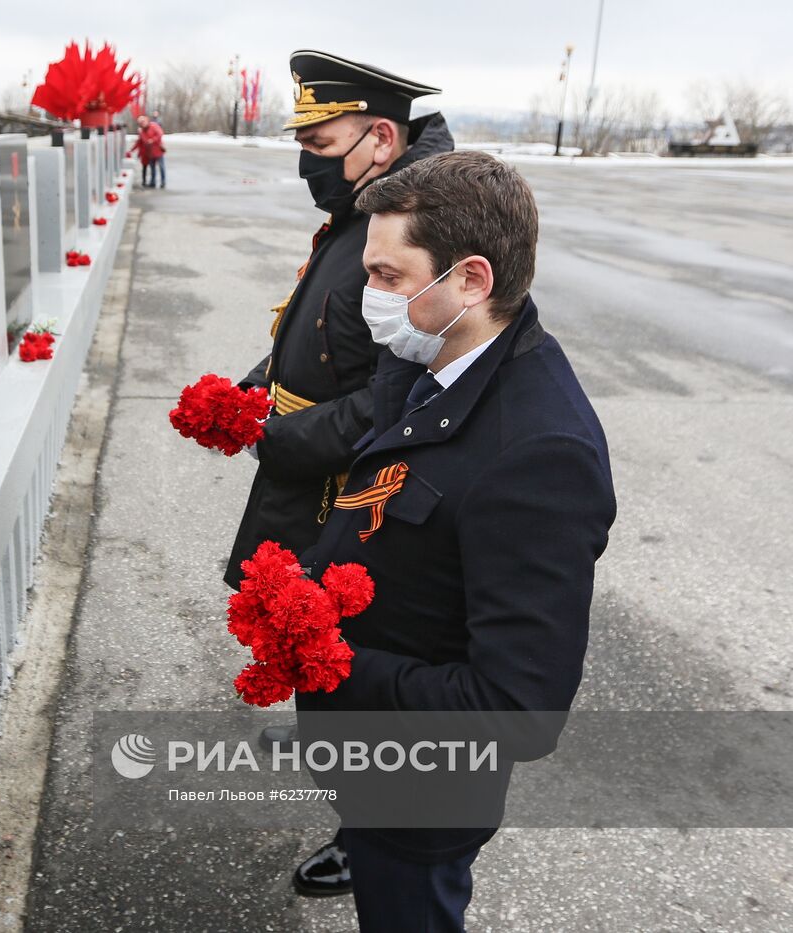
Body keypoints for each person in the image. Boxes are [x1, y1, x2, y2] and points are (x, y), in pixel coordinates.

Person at [291, 150, 617, 931]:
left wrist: (331, 659)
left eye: (388, 277)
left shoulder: (540, 452)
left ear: (471, 279)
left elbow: (518, 708)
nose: (368, 296)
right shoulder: (430, 357)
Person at [225, 53, 453, 894]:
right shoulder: (370, 206)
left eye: (319, 141)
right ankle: (350, 785)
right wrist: (254, 387)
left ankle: (374, 834)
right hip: (311, 466)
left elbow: (403, 388)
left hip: (345, 486)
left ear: (381, 137)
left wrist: (286, 434)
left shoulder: (418, 223)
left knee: (352, 661)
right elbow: (323, 326)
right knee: (324, 666)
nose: (306, 160)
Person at [127, 114, 166, 188]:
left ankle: (163, 182)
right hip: (150, 152)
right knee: (152, 168)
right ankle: (152, 182)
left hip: (158, 150)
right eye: (141, 122)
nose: (142, 123)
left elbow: (160, 134)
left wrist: (152, 140)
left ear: (146, 120)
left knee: (161, 167)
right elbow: (139, 142)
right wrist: (131, 150)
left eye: (143, 121)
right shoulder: (141, 131)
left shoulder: (153, 125)